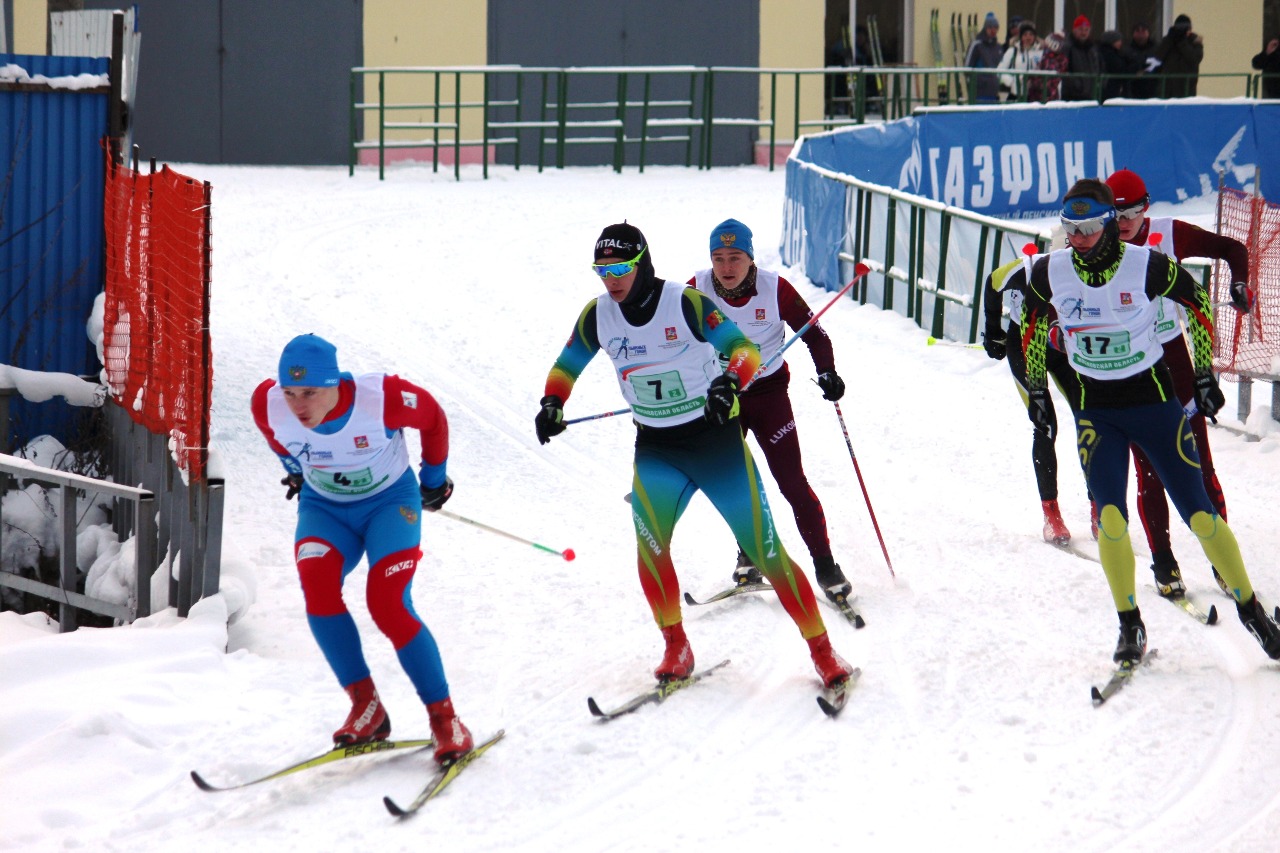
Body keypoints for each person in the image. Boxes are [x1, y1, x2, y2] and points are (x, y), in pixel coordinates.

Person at [534, 223, 855, 690]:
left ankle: (824, 653)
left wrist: (730, 382)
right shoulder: (598, 315)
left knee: (767, 553)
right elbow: (567, 365)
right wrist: (552, 402)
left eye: (621, 268)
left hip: (715, 443)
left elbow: (741, 349)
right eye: (602, 271)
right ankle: (675, 647)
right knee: (651, 549)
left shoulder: (684, 302)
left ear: (641, 263)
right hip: (657, 451)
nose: (612, 279)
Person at [1015, 179, 1280, 663]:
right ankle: (1130, 625)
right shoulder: (1052, 271)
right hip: (1097, 411)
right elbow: (1031, 324)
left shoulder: (1145, 265)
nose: (1080, 240)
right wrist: (1036, 386)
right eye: (1071, 229)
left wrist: (1202, 375)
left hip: (1155, 404)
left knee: (1200, 513)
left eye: (1091, 228)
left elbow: (1199, 305)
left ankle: (1253, 613)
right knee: (1112, 518)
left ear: (1111, 225)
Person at [251, 334, 474, 765]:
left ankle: (445, 719)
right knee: (318, 589)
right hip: (325, 510)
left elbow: (433, 419)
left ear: (335, 383)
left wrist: (434, 480)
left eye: (311, 392)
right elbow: (277, 439)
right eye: (290, 392)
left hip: (390, 505)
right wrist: (297, 472)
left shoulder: (382, 397)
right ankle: (365, 706)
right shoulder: (267, 403)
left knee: (387, 603)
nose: (298, 405)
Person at [1104, 168, 1253, 598]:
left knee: (1200, 467)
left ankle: (1221, 565)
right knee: (1149, 472)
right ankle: (1164, 564)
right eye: (1115, 213)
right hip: (1131, 369)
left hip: (1176, 364)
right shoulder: (1099, 250)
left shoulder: (1170, 233)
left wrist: (1239, 282)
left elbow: (1231, 247)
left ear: (1146, 206)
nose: (1125, 221)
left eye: (1132, 210)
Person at [688, 219, 852, 601]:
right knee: (737, 483)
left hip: (768, 394)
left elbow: (814, 333)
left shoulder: (775, 288)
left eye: (735, 258)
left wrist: (827, 371)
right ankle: (750, 553)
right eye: (718, 259)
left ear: (750, 258)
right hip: (723, 398)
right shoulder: (696, 288)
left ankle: (826, 566)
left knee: (792, 482)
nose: (726, 268)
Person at [982, 252, 1084, 545]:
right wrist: (993, 331)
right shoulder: (1026, 270)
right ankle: (1051, 514)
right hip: (1024, 344)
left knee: (1089, 416)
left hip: (1063, 343)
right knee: (1045, 423)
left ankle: (1098, 506)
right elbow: (992, 282)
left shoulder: (1088, 271)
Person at [1154, 14, 1203, 97]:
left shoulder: (1195, 42)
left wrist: (1181, 42)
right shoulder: (1168, 40)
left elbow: (1194, 59)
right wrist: (1169, 39)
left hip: (1187, 89)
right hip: (1168, 90)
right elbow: (1158, 57)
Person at [965, 12, 1006, 103]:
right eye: (990, 27)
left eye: (996, 28)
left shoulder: (998, 47)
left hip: (994, 91)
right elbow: (967, 67)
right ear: (985, 28)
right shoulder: (976, 45)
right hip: (979, 92)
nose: (993, 30)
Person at [997, 21, 1043, 101]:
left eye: (1031, 35)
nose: (1028, 38)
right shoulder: (1013, 51)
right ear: (1021, 37)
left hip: (1034, 97)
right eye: (1025, 35)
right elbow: (999, 71)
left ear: (1035, 37)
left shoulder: (1040, 53)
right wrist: (1011, 81)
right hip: (1015, 95)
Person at [1062, 15, 1101, 102]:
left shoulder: (1092, 48)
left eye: (1086, 30)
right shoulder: (1068, 47)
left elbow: (1097, 68)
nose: (1084, 33)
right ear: (1074, 30)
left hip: (1090, 94)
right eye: (1080, 29)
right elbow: (1064, 70)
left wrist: (1097, 84)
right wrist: (1076, 85)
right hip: (1072, 96)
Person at [1029, 32, 1069, 103]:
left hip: (1047, 97)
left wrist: (1031, 80)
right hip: (1037, 96)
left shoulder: (1054, 60)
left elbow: (1048, 81)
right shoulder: (1044, 56)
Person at [1097, 29, 1136, 100]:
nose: (1120, 43)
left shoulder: (1115, 53)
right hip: (1111, 89)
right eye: (1118, 41)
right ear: (1112, 41)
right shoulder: (1110, 54)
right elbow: (1120, 69)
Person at [1128, 21, 1161, 99]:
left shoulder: (1156, 48)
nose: (1140, 35)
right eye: (1137, 31)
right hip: (1132, 90)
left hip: (1153, 89)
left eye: (1143, 31)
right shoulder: (1127, 49)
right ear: (1133, 34)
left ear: (1148, 33)